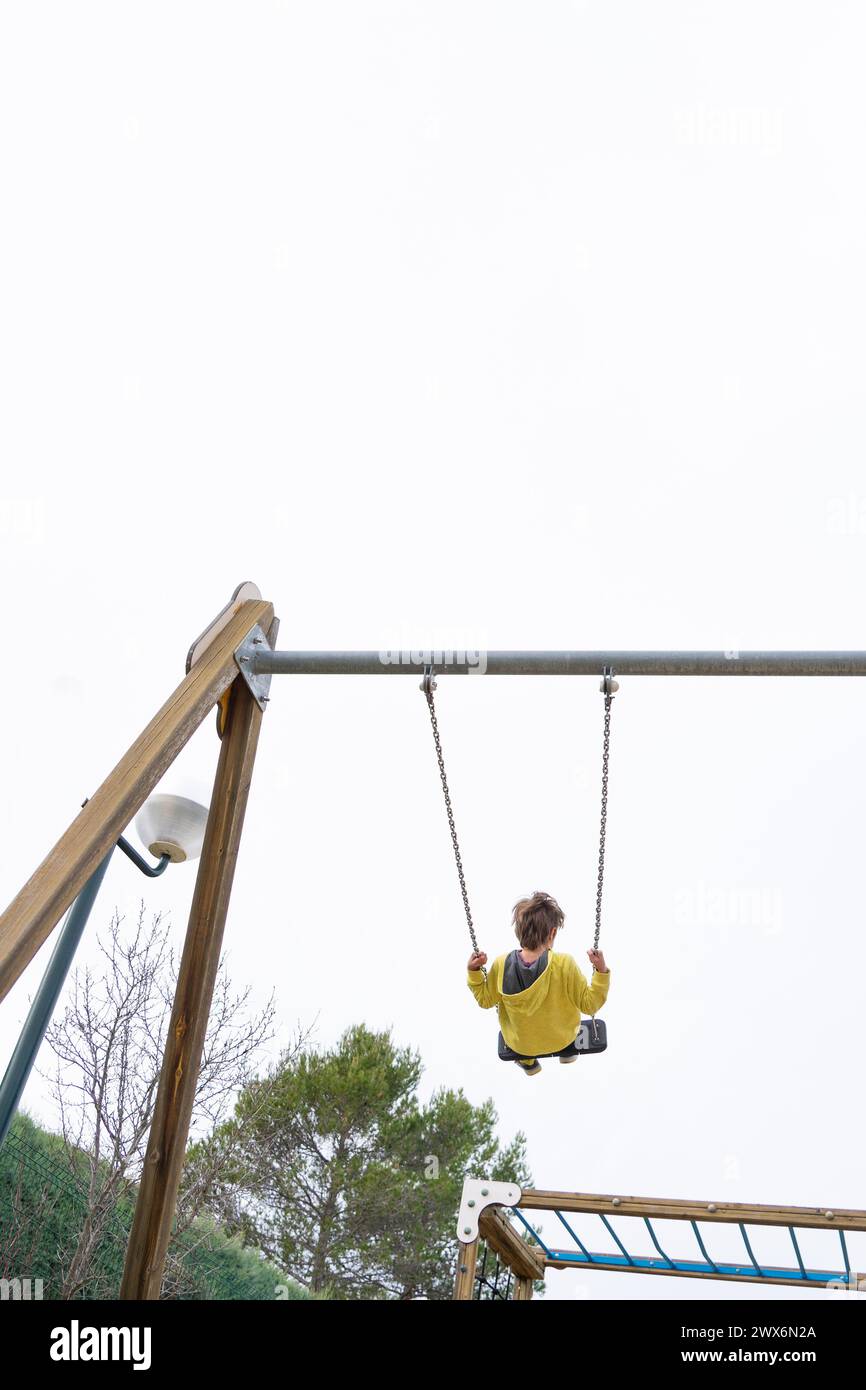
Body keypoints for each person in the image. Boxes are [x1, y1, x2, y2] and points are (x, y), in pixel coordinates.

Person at [467, 890, 610, 1075]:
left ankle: (528, 1061)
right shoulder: (564, 963)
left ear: (518, 931)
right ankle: (567, 1050)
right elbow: (590, 1005)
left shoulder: (501, 965)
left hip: (520, 1043)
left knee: (522, 1036)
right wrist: (601, 971)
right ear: (552, 933)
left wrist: (474, 972)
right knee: (565, 1023)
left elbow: (485, 1000)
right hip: (562, 1037)